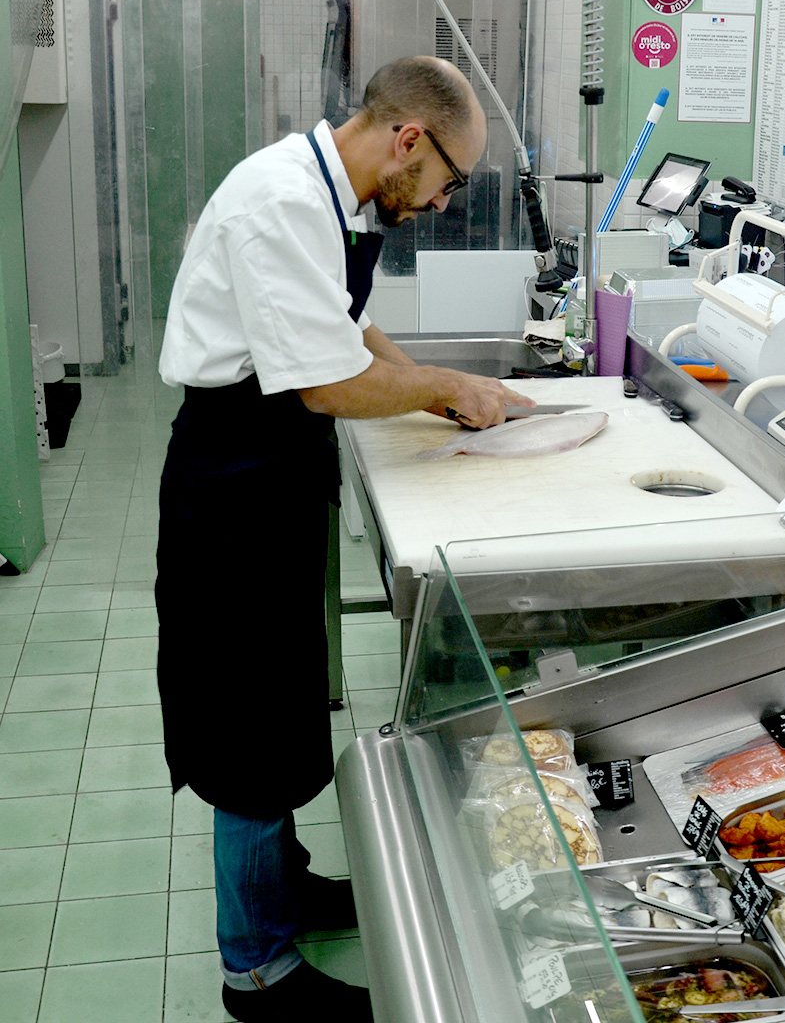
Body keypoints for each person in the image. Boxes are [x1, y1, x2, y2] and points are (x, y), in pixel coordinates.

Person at [154, 56, 534, 1023]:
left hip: (271, 478)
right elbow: (324, 384)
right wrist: (450, 387)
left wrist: (443, 387)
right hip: (232, 485)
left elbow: (351, 337)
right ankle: (258, 974)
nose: (444, 203)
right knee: (246, 730)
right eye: (448, 181)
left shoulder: (333, 196)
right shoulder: (281, 201)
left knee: (279, 699)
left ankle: (287, 890)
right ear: (409, 140)